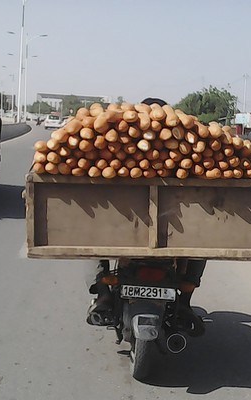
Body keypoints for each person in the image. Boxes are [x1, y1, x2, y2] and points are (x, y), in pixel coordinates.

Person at [86, 97, 206, 326]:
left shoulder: (172, 144)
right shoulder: (176, 146)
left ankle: (103, 293)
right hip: (173, 231)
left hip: (126, 225)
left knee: (90, 240)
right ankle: (185, 300)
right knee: (202, 246)